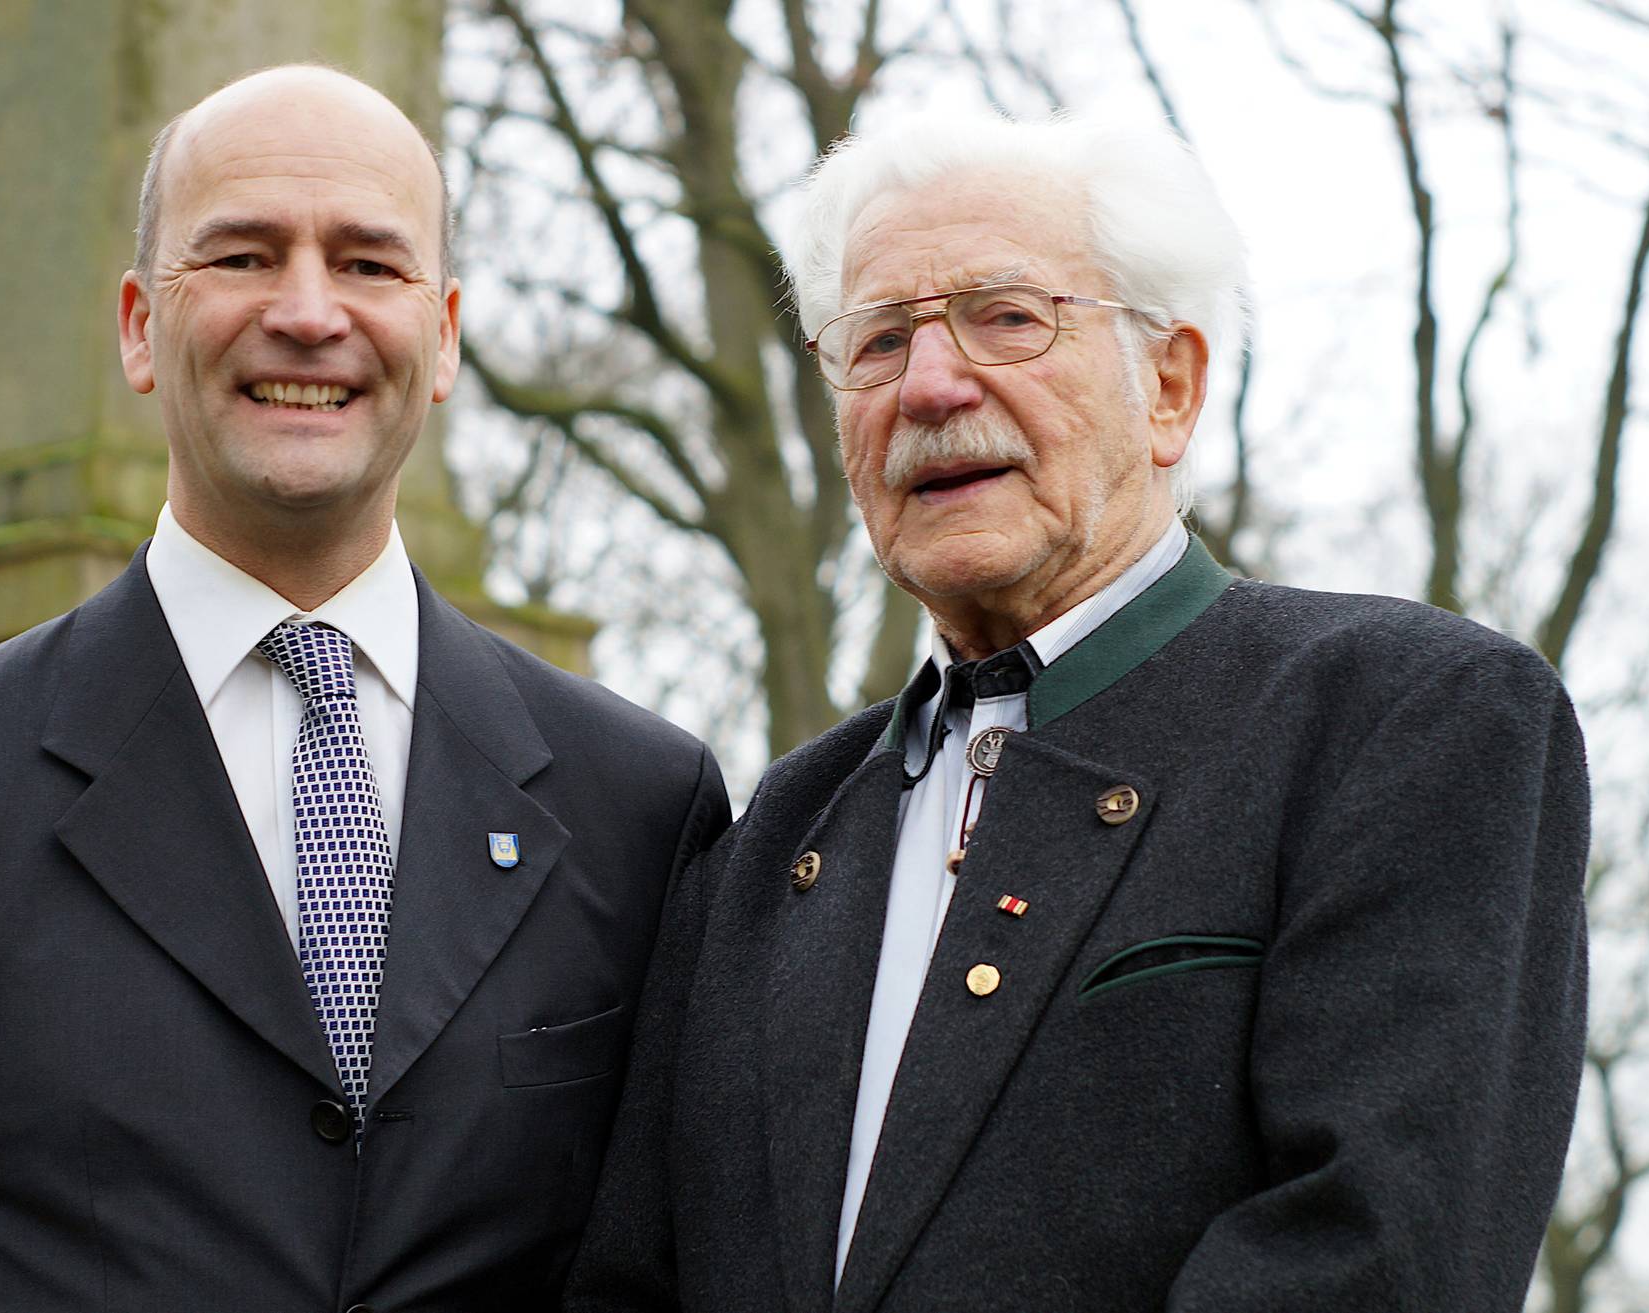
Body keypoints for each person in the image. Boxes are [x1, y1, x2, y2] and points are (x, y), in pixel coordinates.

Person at [0, 65, 727, 1311]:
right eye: (241, 255)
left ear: (444, 332)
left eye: (368, 262)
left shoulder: (642, 804)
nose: (307, 312)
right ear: (140, 325)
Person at [567, 109, 1587, 1313]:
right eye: (878, 340)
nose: (932, 385)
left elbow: (1376, 1257)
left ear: (1169, 384)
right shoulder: (775, 830)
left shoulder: (1398, 715)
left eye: (1008, 316)